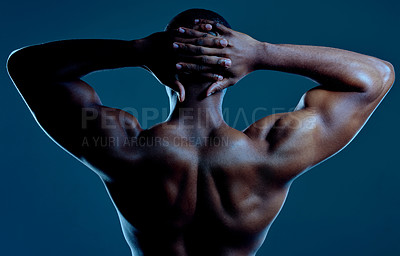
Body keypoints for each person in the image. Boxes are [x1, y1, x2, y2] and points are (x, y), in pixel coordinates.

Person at [7, 8, 394, 256]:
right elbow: (375, 78)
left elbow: (28, 67)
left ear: (165, 71)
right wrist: (261, 54)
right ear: (231, 75)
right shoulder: (271, 153)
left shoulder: (123, 150)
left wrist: (138, 51)